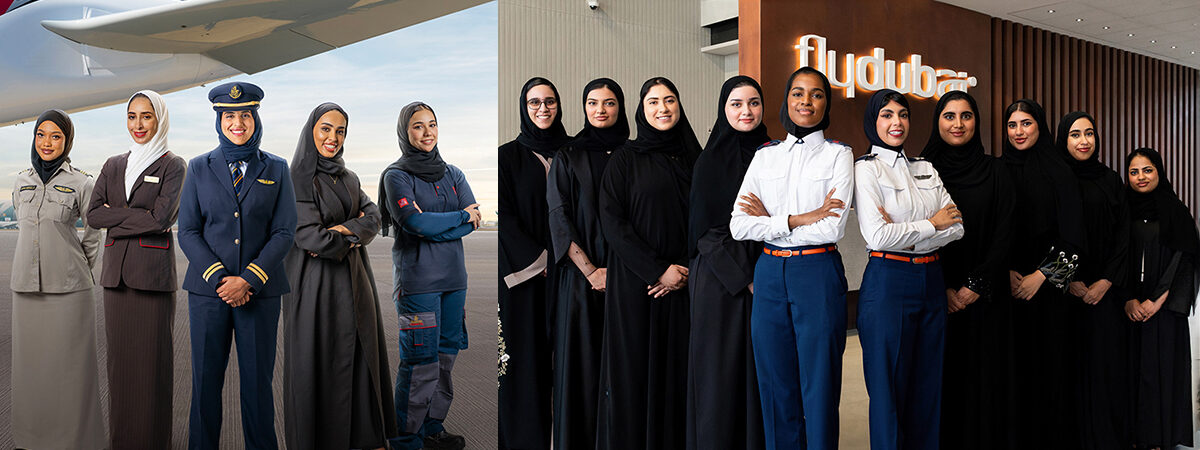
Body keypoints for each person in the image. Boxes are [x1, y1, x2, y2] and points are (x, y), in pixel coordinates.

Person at [731, 66, 852, 450]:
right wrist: (799, 218)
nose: (806, 101)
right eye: (798, 93)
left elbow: (831, 228)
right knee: (774, 381)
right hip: (769, 272)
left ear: (825, 104)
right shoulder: (765, 155)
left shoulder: (839, 155)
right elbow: (738, 225)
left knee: (819, 382)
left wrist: (768, 219)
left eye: (816, 94)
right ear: (786, 99)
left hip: (816, 271)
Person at [177, 81, 297, 450]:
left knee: (257, 386)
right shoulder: (199, 168)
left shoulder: (276, 168)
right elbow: (188, 231)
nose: (237, 123)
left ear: (255, 118)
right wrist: (220, 280)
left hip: (258, 294)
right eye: (230, 115)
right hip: (208, 295)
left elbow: (284, 231)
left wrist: (248, 280)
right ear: (219, 120)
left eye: (245, 114)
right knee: (205, 384)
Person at [854, 89, 964, 450]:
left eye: (902, 115)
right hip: (889, 281)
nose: (896, 123)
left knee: (927, 386)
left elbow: (958, 227)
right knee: (889, 389)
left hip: (931, 279)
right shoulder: (865, 169)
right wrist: (931, 224)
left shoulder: (925, 167)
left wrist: (910, 231)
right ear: (874, 121)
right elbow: (878, 234)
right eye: (886, 115)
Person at [283, 102, 396, 450]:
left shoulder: (349, 177)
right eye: (326, 129)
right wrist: (354, 232)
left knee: (361, 359)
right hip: (313, 286)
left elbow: (375, 216)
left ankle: (362, 438)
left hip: (354, 280)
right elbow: (310, 238)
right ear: (311, 131)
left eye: (340, 130)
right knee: (316, 361)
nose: (333, 137)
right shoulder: (296, 178)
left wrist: (342, 231)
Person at [596, 77, 700, 450]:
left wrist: (683, 269)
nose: (663, 108)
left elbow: (709, 219)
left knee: (680, 372)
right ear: (642, 109)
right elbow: (612, 221)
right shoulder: (626, 157)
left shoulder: (694, 155)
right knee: (635, 372)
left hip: (688, 282)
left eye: (669, 100)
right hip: (636, 284)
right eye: (653, 101)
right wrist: (657, 270)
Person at [86, 90, 186, 449]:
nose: (138, 124)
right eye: (132, 116)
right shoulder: (114, 164)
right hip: (115, 278)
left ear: (159, 119)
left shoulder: (173, 165)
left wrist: (121, 217)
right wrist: (138, 217)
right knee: (120, 367)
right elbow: (93, 214)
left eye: (146, 116)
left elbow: (162, 219)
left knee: (151, 367)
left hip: (152, 279)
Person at [919, 90, 1017, 449]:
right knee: (940, 380)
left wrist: (976, 284)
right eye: (949, 116)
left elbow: (1006, 231)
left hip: (987, 297)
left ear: (976, 121)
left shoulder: (996, 170)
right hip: (937, 296)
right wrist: (945, 287)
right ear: (937, 121)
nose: (958, 124)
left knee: (986, 381)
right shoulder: (921, 170)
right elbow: (917, 230)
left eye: (966, 116)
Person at [380, 101, 480, 450]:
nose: (427, 133)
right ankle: (406, 438)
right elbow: (414, 223)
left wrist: (451, 222)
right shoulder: (396, 176)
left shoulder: (453, 174)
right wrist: (460, 218)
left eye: (432, 124)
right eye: (418, 126)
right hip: (418, 284)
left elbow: (474, 219)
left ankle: (432, 428)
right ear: (405, 132)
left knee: (445, 358)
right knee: (420, 362)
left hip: (454, 282)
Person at [11, 109, 105, 449]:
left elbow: (95, 230)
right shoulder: (21, 182)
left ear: (67, 141)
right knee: (30, 371)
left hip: (69, 289)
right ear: (34, 138)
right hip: (25, 288)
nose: (47, 143)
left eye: (55, 136)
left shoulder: (82, 182)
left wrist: (78, 263)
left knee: (70, 373)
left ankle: (76, 441)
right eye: (41, 135)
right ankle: (30, 440)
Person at [685, 75, 769, 450]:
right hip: (721, 281)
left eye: (753, 103)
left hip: (770, 272)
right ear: (724, 109)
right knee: (720, 376)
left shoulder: (776, 153)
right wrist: (747, 278)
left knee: (760, 374)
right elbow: (707, 232)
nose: (746, 111)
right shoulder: (710, 159)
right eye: (736, 104)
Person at [547, 77, 629, 450]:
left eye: (609, 103)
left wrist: (623, 269)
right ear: (583, 108)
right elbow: (558, 215)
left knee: (624, 370)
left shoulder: (634, 153)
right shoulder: (568, 155)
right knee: (580, 371)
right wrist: (591, 270)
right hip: (581, 279)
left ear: (620, 107)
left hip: (628, 278)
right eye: (593, 103)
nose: (600, 110)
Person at [999, 99, 1086, 447]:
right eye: (1012, 125)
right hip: (1006, 291)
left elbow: (1076, 237)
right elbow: (992, 229)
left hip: (1048, 293)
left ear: (1040, 126)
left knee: (1049, 374)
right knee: (1011, 375)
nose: (1019, 131)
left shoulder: (1060, 172)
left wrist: (1041, 275)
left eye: (1027, 124)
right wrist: (1003, 270)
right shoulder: (998, 169)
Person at [498, 77, 570, 450]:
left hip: (574, 274)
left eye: (549, 101)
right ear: (524, 107)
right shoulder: (506, 157)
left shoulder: (575, 152)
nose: (542, 109)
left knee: (573, 362)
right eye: (534, 102)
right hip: (525, 278)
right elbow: (505, 218)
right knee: (524, 365)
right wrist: (541, 260)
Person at [1056, 111, 1130, 450]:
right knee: (1066, 372)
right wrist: (1067, 280)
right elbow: (1044, 234)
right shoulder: (1054, 178)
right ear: (1063, 139)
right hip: (1061, 294)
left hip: (1105, 294)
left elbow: (1123, 237)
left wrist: (1105, 282)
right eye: (1075, 134)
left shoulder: (1110, 179)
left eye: (1089, 133)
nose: (1084, 141)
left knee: (1106, 372)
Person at [1123, 147, 1198, 450]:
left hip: (1164, 308)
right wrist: (1128, 299)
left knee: (1163, 370)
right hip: (1128, 306)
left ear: (1159, 172)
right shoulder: (1122, 209)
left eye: (1148, 170)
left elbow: (1185, 261)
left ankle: (1163, 437)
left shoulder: (1176, 211)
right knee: (1131, 371)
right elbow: (1115, 256)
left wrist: (1158, 300)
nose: (1140, 177)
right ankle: (1133, 436)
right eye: (1133, 171)